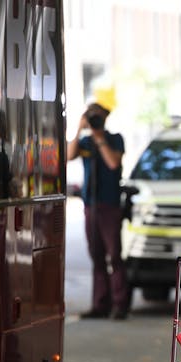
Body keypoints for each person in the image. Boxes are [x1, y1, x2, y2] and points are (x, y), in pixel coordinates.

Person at [67, 103, 129, 320]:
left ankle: (120, 304)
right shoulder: (85, 141)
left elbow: (113, 163)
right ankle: (100, 304)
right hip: (90, 205)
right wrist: (79, 128)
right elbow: (68, 155)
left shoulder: (115, 139)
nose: (94, 121)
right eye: (91, 116)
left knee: (114, 255)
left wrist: (99, 137)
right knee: (96, 256)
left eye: (98, 117)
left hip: (110, 204)